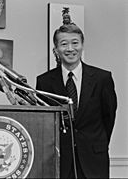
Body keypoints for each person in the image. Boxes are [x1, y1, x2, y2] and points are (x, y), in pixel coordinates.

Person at [36, 24, 117, 178]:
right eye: (64, 44)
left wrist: (97, 142)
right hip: (59, 161)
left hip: (94, 159)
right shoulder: (44, 82)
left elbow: (109, 117)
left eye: (75, 43)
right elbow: (44, 123)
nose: (70, 49)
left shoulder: (102, 79)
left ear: (82, 46)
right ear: (56, 49)